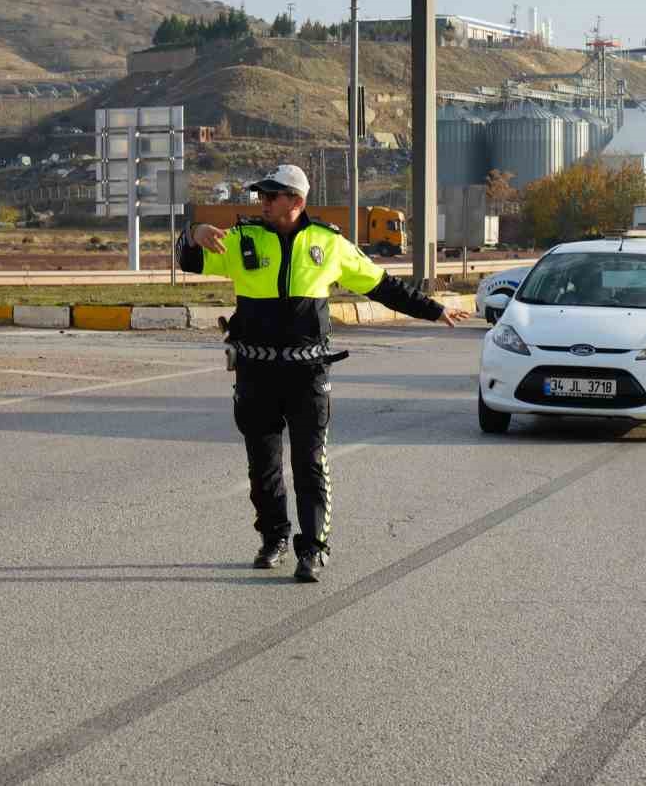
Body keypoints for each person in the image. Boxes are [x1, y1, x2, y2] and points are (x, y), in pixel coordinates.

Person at [176, 164, 471, 582]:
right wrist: (194, 231)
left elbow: (383, 286)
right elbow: (189, 261)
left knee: (310, 463)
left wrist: (434, 309)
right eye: (261, 195)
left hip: (307, 374)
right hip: (255, 372)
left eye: (271, 195)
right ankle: (274, 537)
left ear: (296, 201)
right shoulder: (242, 238)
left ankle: (313, 548)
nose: (262, 201)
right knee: (262, 466)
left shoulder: (328, 244)